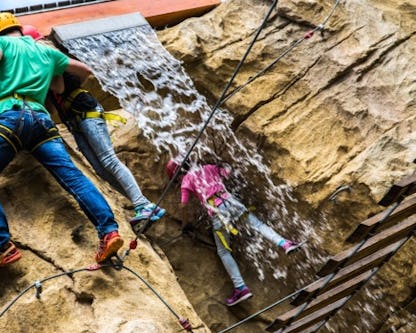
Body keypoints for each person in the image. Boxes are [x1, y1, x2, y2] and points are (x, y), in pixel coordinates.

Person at [0, 12, 123, 276]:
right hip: (42, 122)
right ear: (18, 29)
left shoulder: (1, 43)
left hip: (12, 117)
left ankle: (0, 245)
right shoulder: (45, 51)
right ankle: (109, 232)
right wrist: (51, 76)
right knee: (74, 178)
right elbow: (83, 70)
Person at [166, 158, 303, 306]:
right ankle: (285, 243)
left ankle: (241, 288)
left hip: (219, 213)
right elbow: (228, 171)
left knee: (223, 251)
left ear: (178, 174)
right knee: (258, 224)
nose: (178, 181)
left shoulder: (186, 180)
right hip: (232, 202)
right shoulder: (208, 167)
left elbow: (183, 205)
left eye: (176, 179)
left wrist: (185, 224)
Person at [47, 71, 166, 233]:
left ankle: (142, 205)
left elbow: (80, 72)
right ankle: (145, 205)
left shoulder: (50, 60)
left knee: (108, 160)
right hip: (73, 122)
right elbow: (51, 108)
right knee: (101, 170)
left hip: (87, 111)